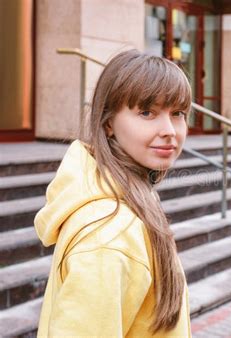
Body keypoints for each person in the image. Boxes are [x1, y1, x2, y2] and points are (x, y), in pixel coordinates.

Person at [34, 49, 192, 337]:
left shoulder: (132, 198)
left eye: (178, 114)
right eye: (147, 112)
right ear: (108, 123)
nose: (170, 130)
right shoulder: (109, 234)